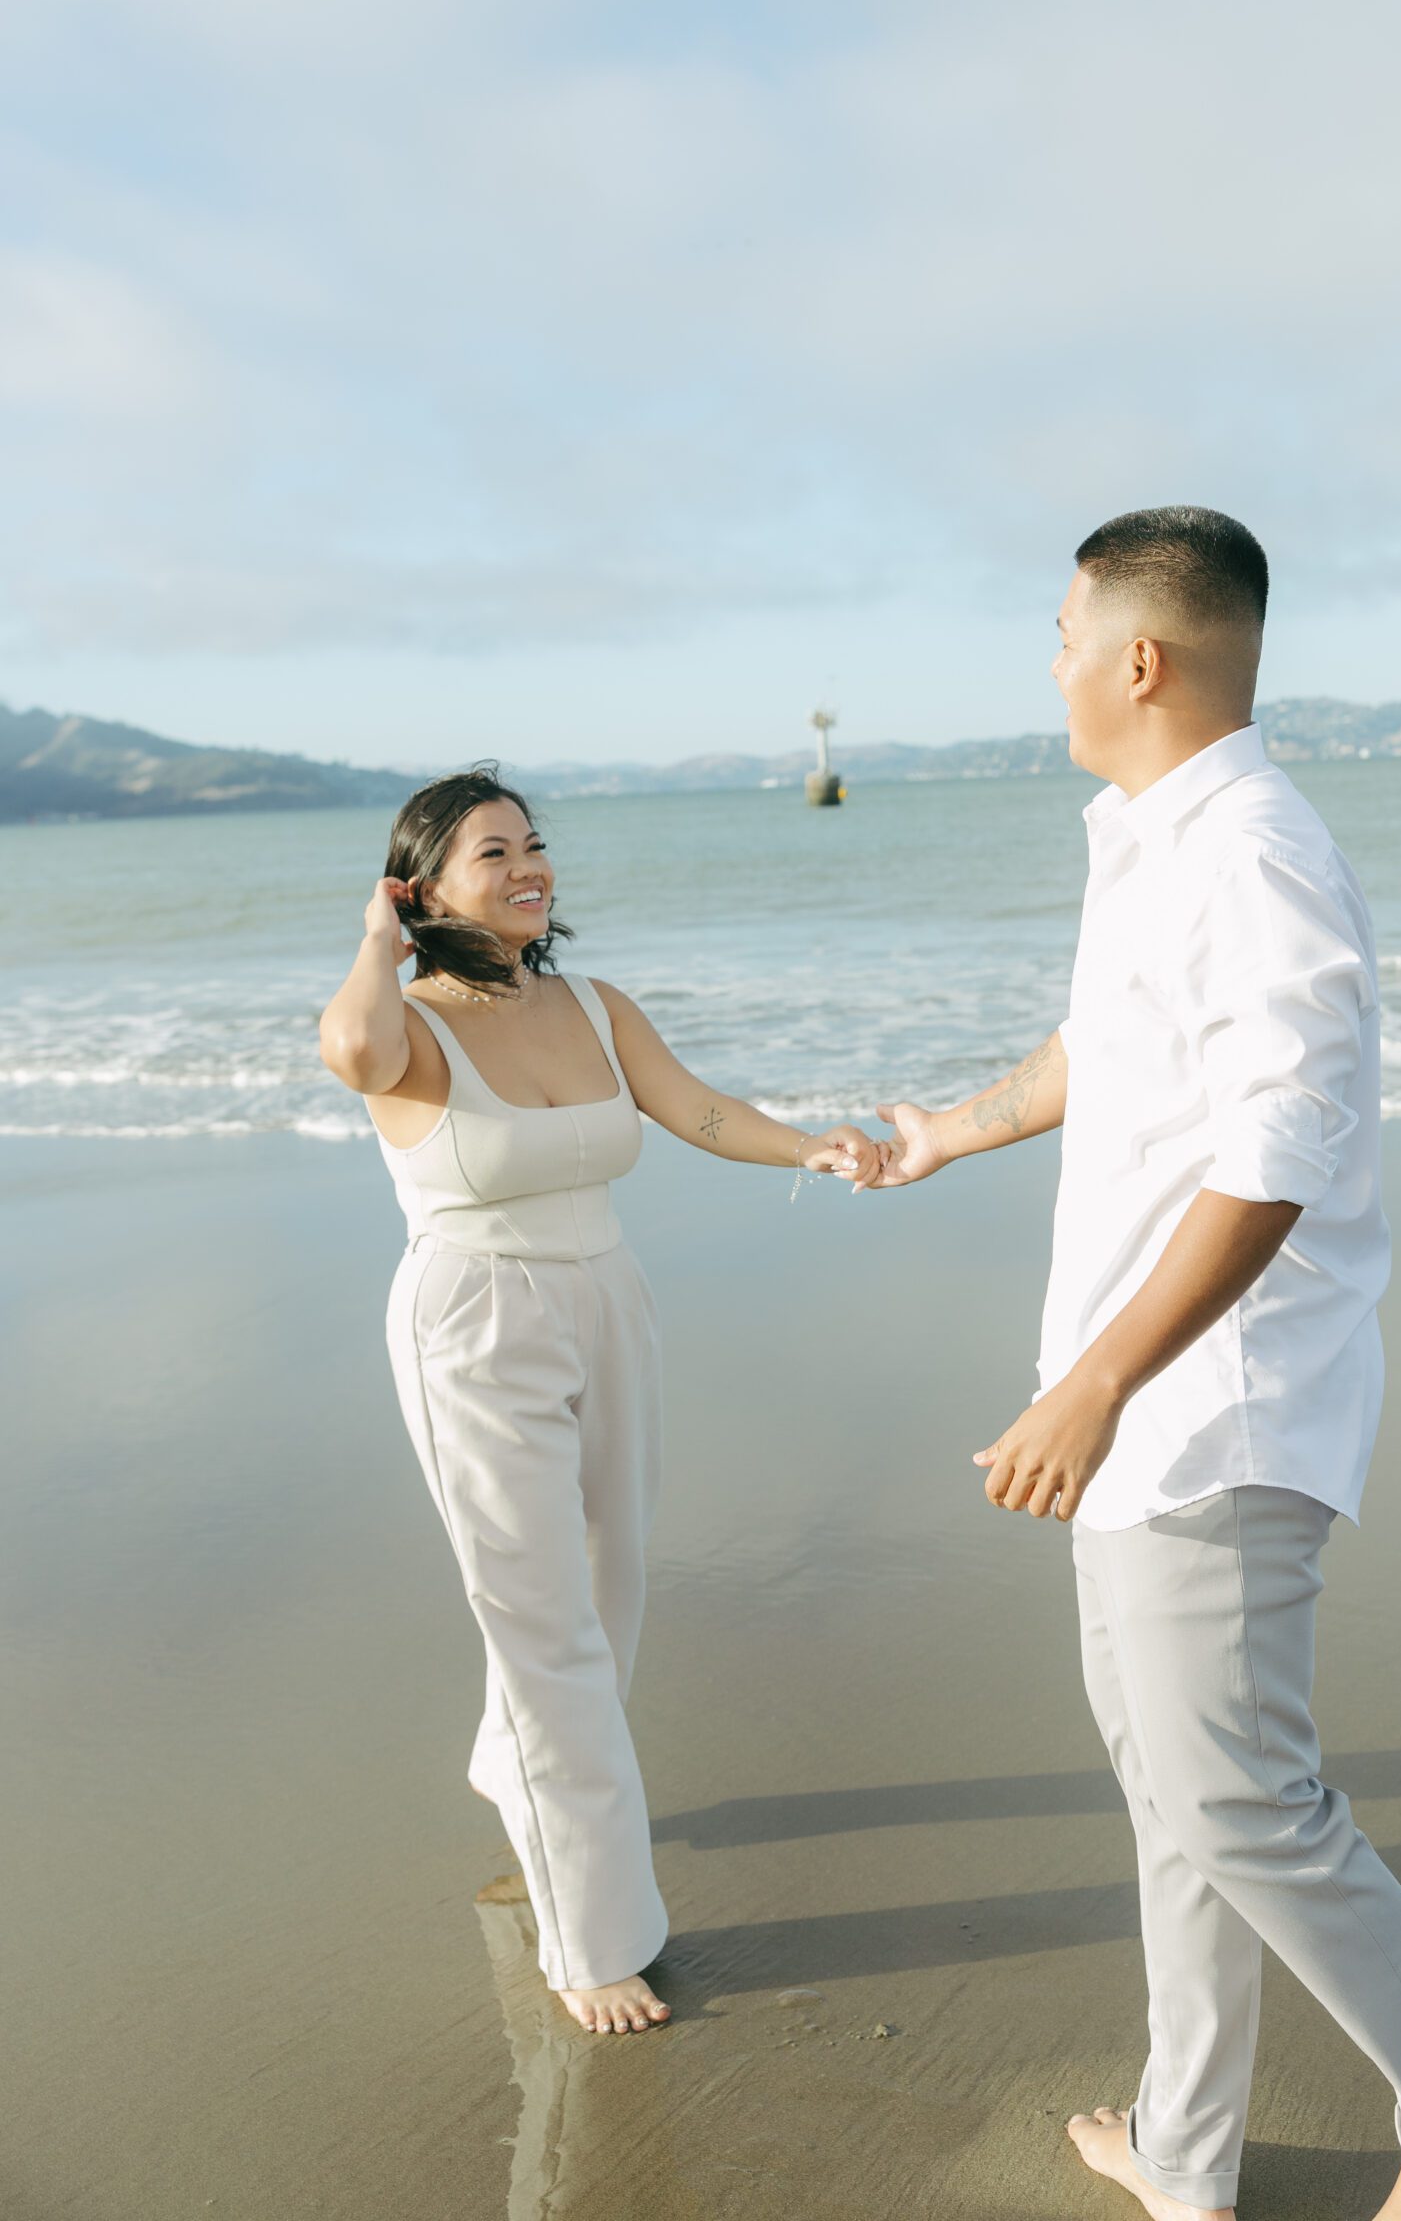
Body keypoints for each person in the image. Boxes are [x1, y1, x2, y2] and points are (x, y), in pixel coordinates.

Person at [870, 509, 1401, 2220]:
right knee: (1175, 1796)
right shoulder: (1150, 840)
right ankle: (1185, 2155)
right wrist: (954, 1128)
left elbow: (1275, 1151)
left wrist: (1092, 1382)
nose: (1054, 664)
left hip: (1213, 1408)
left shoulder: (1254, 852)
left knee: (1243, 1802)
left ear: (1140, 659)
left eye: (1066, 634)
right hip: (1140, 1414)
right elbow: (1115, 1046)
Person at [318, 765, 881, 2038]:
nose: (529, 867)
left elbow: (696, 1110)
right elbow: (349, 1049)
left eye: (534, 843)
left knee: (608, 1588)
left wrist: (814, 1146)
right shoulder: (409, 1021)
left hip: (608, 1303)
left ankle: (509, 1764)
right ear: (423, 888)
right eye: (491, 852)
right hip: (473, 1321)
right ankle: (589, 1937)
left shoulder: (592, 1001)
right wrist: (373, 937)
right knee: (544, 1628)